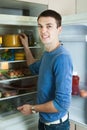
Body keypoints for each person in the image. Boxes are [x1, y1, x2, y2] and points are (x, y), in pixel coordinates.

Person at [17, 9, 73, 130]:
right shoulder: (47, 53)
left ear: (59, 29)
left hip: (57, 126)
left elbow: (62, 104)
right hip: (44, 121)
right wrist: (26, 46)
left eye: (49, 26)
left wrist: (32, 108)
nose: (43, 31)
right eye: (40, 26)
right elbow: (33, 68)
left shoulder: (62, 58)